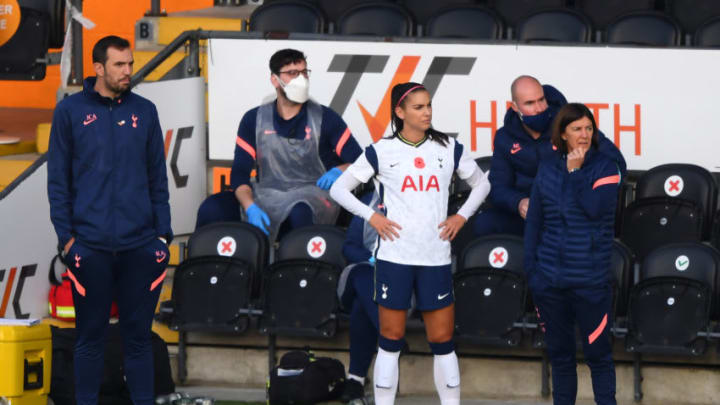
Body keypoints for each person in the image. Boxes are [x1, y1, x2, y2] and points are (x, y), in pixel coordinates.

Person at [330, 82, 491, 405]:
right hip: (394, 258)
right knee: (390, 338)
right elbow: (338, 190)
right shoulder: (381, 150)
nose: (427, 111)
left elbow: (482, 185)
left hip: (436, 257)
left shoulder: (449, 147)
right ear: (400, 112)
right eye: (418, 107)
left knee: (442, 340)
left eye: (428, 105)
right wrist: (371, 217)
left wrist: (460, 216)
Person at [47, 36, 172, 405]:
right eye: (119, 65)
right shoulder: (69, 112)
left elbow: (157, 180)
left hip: (141, 246)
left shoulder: (145, 111)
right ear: (98, 68)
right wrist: (68, 240)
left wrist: (162, 237)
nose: (128, 71)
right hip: (89, 246)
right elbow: (58, 183)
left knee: (138, 340)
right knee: (89, 338)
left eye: (130, 63)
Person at [195, 48, 362, 241]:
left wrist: (340, 170)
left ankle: (298, 270)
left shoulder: (325, 118)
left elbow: (361, 161)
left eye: (304, 72)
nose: (301, 79)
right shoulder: (254, 119)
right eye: (292, 73)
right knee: (211, 208)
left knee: (299, 212)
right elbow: (239, 174)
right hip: (267, 194)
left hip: (313, 196)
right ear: (275, 80)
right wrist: (250, 207)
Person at [524, 103, 621, 405]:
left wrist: (576, 173)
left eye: (589, 128)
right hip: (549, 282)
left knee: (599, 355)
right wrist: (533, 272)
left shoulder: (607, 167)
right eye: (577, 129)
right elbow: (535, 222)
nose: (584, 134)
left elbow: (594, 209)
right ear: (563, 134)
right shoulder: (548, 167)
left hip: (589, 282)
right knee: (561, 357)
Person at [474, 75, 625, 237]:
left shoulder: (571, 124)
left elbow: (616, 165)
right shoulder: (505, 137)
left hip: (569, 214)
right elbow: (498, 187)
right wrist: (519, 203)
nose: (539, 108)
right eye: (530, 103)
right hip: (528, 216)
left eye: (541, 100)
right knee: (484, 224)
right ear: (515, 107)